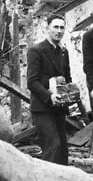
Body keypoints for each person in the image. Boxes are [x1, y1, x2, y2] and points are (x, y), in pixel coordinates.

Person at [27, 14, 71, 164]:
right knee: (53, 146)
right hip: (42, 107)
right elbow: (32, 82)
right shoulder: (36, 51)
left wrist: (70, 94)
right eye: (55, 27)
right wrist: (49, 96)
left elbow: (67, 79)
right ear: (47, 29)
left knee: (63, 149)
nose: (59, 31)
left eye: (62, 27)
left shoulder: (64, 52)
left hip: (59, 107)